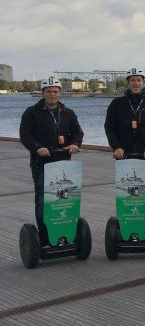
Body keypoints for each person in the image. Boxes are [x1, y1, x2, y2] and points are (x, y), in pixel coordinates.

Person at [19, 76, 84, 242]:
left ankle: (66, 233)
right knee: (43, 200)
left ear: (60, 93)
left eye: (55, 91)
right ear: (43, 93)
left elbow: (78, 132)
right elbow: (25, 135)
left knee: (65, 199)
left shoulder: (68, 113)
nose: (52, 94)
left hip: (64, 164)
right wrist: (37, 148)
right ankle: (46, 237)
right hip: (42, 163)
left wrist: (75, 144)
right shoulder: (32, 113)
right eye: (49, 91)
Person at [104, 67, 145, 162]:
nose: (136, 83)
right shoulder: (116, 103)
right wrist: (116, 147)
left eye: (139, 80)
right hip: (123, 155)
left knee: (144, 177)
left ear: (144, 82)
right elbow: (110, 127)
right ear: (128, 83)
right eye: (132, 80)